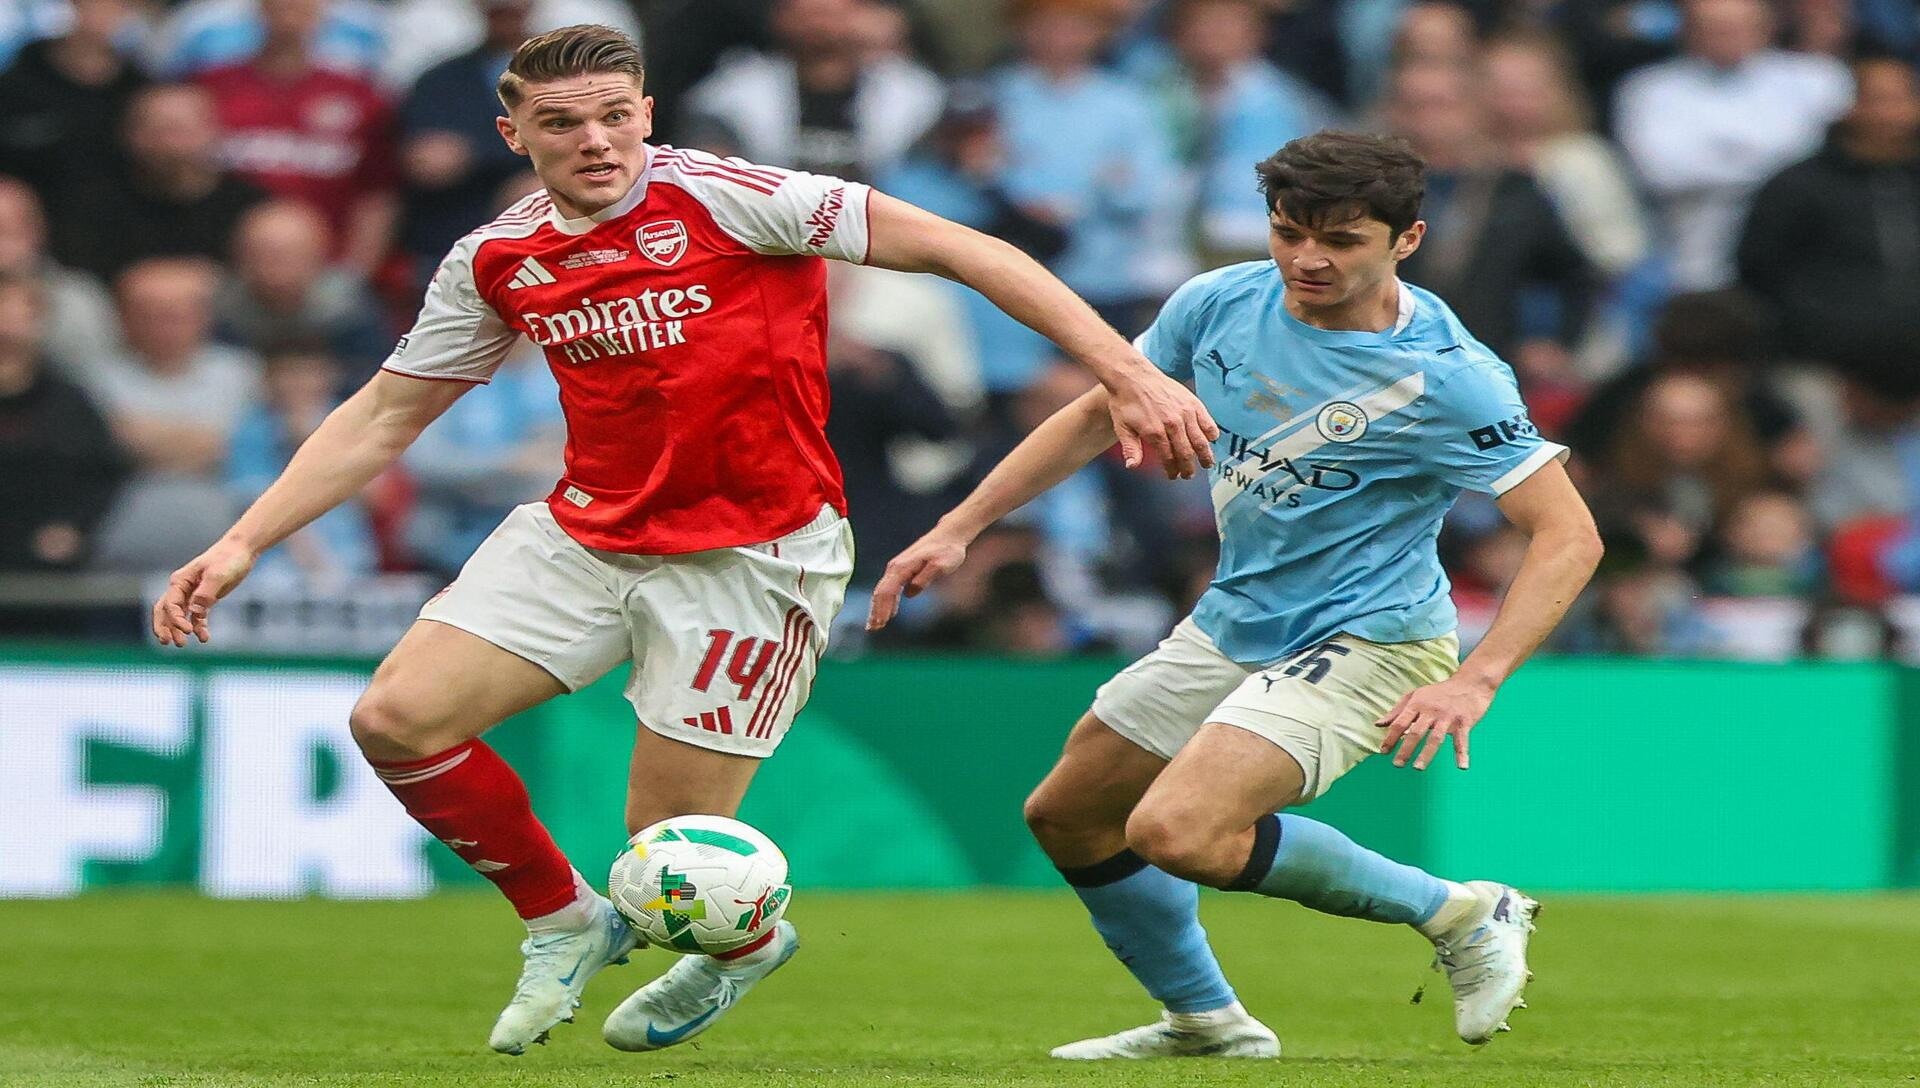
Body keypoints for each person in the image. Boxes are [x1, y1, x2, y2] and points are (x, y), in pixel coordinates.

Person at [151, 24, 1216, 1058]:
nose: (596, 140)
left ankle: (742, 942)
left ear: (647, 114)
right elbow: (387, 411)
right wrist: (244, 538)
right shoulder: (498, 258)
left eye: (616, 115)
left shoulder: (737, 197)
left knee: (669, 872)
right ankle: (561, 917)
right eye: (563, 122)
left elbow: (961, 246)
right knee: (395, 720)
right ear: (514, 133)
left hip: (754, 559)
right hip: (587, 535)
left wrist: (1127, 371)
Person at [870, 131, 1603, 1059]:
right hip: (1236, 620)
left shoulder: (1450, 379)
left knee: (1177, 829)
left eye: (1341, 239)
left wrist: (1478, 678)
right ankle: (1206, 1023)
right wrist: (959, 526)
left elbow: (1569, 535)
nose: (1308, 258)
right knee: (1068, 814)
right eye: (1290, 231)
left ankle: (1461, 911)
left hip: (1373, 636)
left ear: (1404, 242)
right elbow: (1101, 410)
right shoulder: (1217, 301)